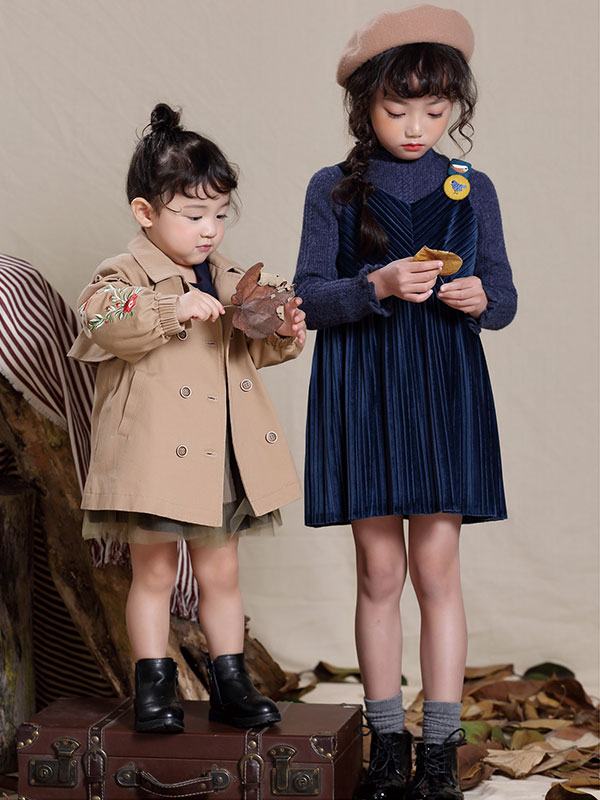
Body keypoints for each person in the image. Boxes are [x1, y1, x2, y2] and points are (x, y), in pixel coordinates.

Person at [294, 6, 516, 799]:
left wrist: (479, 298)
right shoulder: (333, 188)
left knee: (436, 571)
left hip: (445, 385)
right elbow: (307, 298)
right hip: (364, 386)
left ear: (455, 105)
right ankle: (387, 745)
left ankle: (439, 753)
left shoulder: (472, 187)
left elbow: (504, 299)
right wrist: (377, 284)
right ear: (365, 106)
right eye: (397, 109)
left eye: (435, 108)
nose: (417, 127)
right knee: (379, 573)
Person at [69, 103, 306, 733]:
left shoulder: (232, 278)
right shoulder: (122, 273)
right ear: (146, 213)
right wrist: (171, 308)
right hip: (156, 455)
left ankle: (231, 685)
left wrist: (282, 329)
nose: (210, 230)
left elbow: (254, 351)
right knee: (152, 572)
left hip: (220, 452)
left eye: (220, 215)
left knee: (221, 572)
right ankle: (155, 688)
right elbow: (99, 319)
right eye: (194, 215)